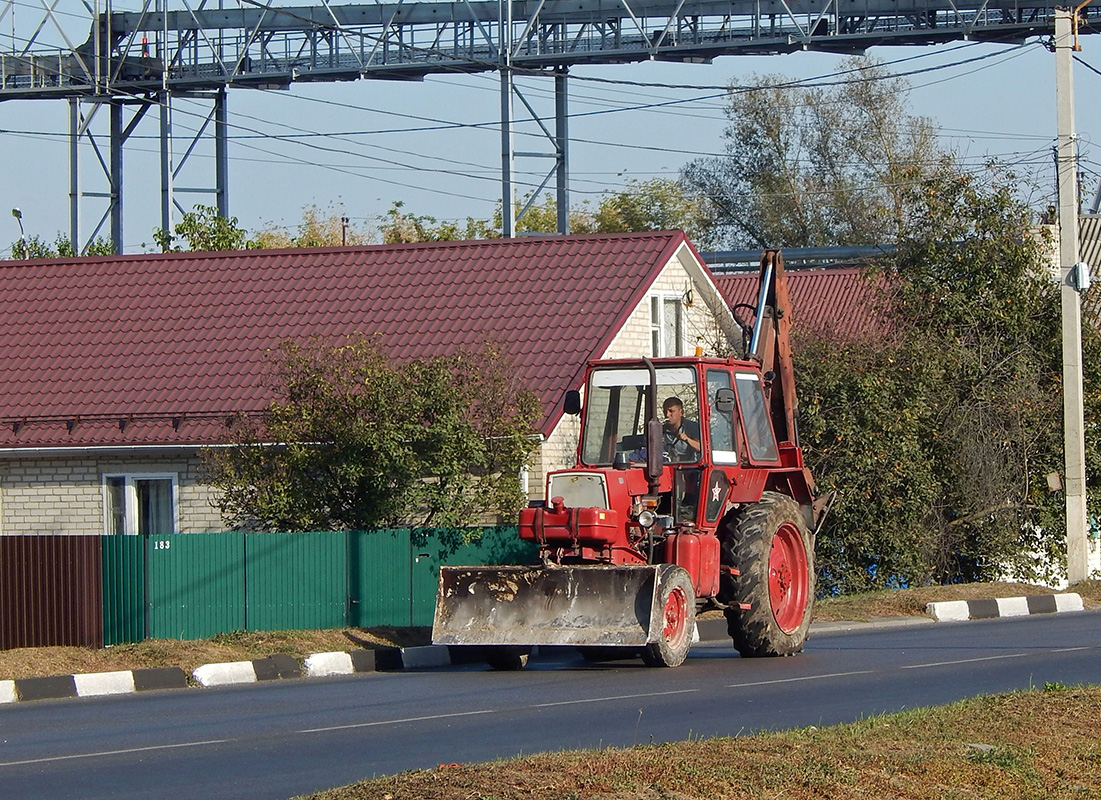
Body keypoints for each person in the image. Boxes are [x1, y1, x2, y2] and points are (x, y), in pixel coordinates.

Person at [662, 396, 701, 462]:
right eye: (665, 411)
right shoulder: (661, 430)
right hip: (667, 468)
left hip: (690, 468)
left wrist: (687, 439)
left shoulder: (692, 427)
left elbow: (700, 448)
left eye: (671, 411)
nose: (667, 415)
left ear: (681, 412)